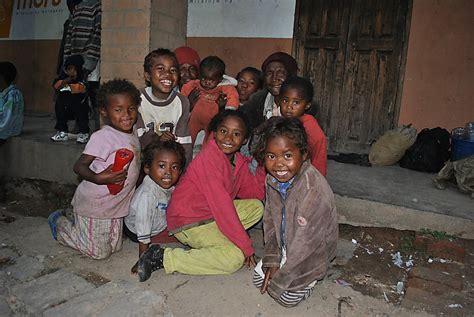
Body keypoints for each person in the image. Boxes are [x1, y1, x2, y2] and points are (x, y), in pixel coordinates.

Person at [135, 109, 265, 282]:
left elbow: (254, 193)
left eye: (236, 134)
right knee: (234, 258)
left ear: (245, 140)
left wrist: (264, 162)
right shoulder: (209, 159)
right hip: (188, 220)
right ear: (214, 132)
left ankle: (222, 239)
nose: (228, 138)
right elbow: (223, 208)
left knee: (256, 207)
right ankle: (163, 257)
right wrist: (246, 247)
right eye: (223, 131)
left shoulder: (238, 161)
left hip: (210, 214)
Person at [47, 79, 141, 260]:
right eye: (118, 110)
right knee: (99, 253)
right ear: (104, 112)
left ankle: (81, 227)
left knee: (115, 247)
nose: (126, 115)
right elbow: (79, 166)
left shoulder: (131, 131)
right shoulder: (103, 137)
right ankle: (60, 224)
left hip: (115, 205)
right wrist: (99, 178)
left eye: (131, 108)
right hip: (96, 204)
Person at [252, 116, 338, 307]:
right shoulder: (272, 180)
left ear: (304, 154)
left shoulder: (313, 189)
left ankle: (313, 278)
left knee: (284, 298)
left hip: (311, 252)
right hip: (287, 245)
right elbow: (270, 222)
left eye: (287, 156)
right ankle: (283, 265)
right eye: (271, 156)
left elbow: (306, 243)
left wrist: (281, 277)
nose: (279, 164)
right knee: (259, 280)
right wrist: (273, 261)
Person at [124, 140, 186, 266]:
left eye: (174, 167)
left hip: (158, 218)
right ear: (147, 168)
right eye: (162, 166)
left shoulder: (163, 183)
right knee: (183, 235)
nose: (168, 172)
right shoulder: (148, 195)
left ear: (180, 171)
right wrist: (143, 260)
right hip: (138, 231)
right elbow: (143, 225)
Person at [136, 48, 193, 164]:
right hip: (141, 160)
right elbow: (137, 138)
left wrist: (185, 170)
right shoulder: (137, 99)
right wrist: (157, 139)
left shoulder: (181, 102)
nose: (167, 74)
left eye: (173, 70)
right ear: (147, 76)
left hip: (168, 161)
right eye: (161, 69)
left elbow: (184, 141)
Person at [181, 56, 239, 145]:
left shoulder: (224, 88)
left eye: (211, 80)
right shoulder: (194, 85)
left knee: (210, 141)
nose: (207, 82)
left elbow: (233, 98)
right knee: (187, 137)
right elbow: (184, 91)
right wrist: (186, 101)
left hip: (212, 121)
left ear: (220, 79)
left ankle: (206, 155)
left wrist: (227, 109)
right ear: (199, 75)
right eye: (204, 78)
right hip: (194, 119)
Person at [62, 0, 101, 131]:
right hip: (77, 59)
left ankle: (98, 128)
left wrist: (90, 60)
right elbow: (69, 36)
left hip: (91, 59)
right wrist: (68, 61)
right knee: (78, 94)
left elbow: (97, 34)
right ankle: (80, 126)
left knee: (94, 94)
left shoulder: (97, 6)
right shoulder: (77, 8)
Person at [279, 76, 327, 176]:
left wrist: (316, 181)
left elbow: (319, 155)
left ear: (307, 105)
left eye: (296, 102)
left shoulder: (310, 127)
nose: (289, 106)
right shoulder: (280, 121)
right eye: (285, 100)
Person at [240, 52, 298, 133]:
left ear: (291, 76)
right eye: (269, 73)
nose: (274, 78)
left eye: (281, 73)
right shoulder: (256, 102)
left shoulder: (302, 106)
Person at [51, 54, 90, 143]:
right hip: (66, 105)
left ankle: (83, 133)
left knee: (82, 115)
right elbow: (56, 85)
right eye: (68, 69)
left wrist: (70, 85)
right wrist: (65, 81)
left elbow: (81, 87)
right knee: (59, 108)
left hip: (79, 104)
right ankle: (62, 132)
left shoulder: (82, 78)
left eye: (73, 69)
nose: (71, 72)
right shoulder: (64, 78)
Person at [0, 62, 24, 146]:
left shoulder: (13, 95)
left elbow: (7, 119)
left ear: (2, 78)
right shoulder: (2, 92)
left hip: (6, 131)